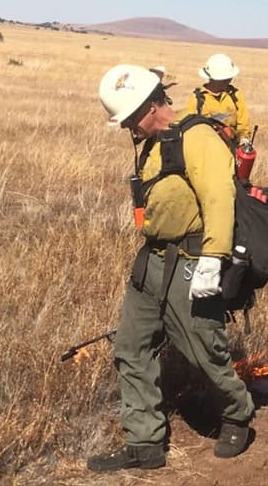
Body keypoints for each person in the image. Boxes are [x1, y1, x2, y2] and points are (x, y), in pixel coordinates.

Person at [89, 65, 254, 473]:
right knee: (131, 349)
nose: (128, 127)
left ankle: (237, 413)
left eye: (129, 118)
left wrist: (213, 261)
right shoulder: (154, 141)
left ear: (149, 108)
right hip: (152, 260)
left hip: (192, 261)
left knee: (204, 353)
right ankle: (144, 443)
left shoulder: (197, 138)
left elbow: (219, 199)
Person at [185, 54, 252, 146]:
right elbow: (189, 129)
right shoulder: (197, 99)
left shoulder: (235, 96)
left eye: (229, 78)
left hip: (231, 150)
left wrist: (244, 140)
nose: (229, 81)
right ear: (213, 79)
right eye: (225, 79)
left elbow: (243, 127)